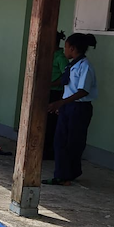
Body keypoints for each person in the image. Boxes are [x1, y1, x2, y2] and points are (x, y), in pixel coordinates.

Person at [46, 33, 98, 185]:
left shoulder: (85, 67)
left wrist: (60, 103)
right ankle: (63, 174)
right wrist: (63, 105)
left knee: (73, 143)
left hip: (79, 108)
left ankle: (67, 175)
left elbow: (83, 91)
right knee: (60, 140)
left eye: (67, 47)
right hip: (69, 107)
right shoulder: (72, 65)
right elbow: (69, 86)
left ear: (73, 48)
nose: (64, 50)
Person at [43, 31, 68, 160]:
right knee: (44, 121)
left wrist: (51, 83)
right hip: (47, 91)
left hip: (55, 92)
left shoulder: (60, 58)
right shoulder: (49, 55)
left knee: (51, 123)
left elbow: (65, 77)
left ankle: (49, 151)